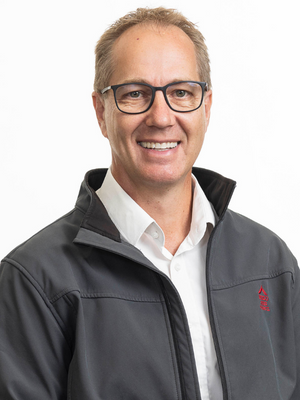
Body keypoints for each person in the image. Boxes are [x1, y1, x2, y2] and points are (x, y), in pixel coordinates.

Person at [0, 6, 299, 400]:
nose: (161, 117)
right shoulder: (35, 281)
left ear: (206, 106)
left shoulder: (269, 262)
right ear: (100, 111)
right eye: (136, 94)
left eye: (181, 93)